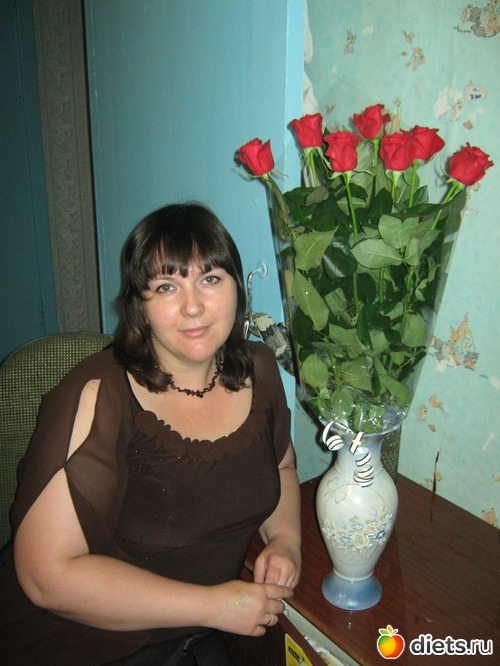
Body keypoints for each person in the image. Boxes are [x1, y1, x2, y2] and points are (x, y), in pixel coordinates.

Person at [0, 203, 301, 665]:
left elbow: (281, 465)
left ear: (237, 288)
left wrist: (284, 541)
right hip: (83, 641)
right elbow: (46, 577)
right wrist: (213, 606)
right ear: (139, 306)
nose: (193, 306)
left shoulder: (259, 369)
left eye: (210, 279)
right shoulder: (99, 395)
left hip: (200, 633)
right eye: (166, 287)